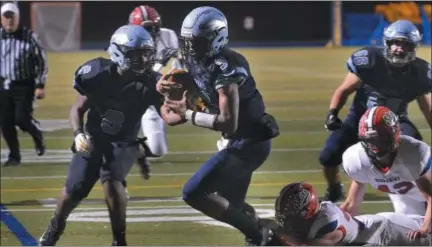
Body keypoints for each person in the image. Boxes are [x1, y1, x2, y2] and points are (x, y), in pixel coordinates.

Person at [156, 6, 279, 245]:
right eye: (187, 42)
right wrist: (162, 88)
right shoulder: (195, 58)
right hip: (236, 142)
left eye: (197, 42)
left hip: (248, 143)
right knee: (231, 205)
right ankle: (263, 235)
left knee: (193, 192)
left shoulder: (228, 66)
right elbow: (171, 114)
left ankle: (259, 235)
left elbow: (228, 122)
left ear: (216, 38)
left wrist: (189, 113)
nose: (190, 48)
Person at [38, 25, 161, 246]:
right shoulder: (97, 74)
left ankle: (119, 241)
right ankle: (55, 227)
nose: (143, 59)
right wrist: (78, 134)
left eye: (146, 52)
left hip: (125, 141)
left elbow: (169, 115)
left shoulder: (152, 81)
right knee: (74, 189)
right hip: (94, 137)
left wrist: (186, 108)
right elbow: (77, 109)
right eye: (136, 53)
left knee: (112, 179)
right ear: (119, 52)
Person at [319, 20, 431, 202]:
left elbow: (425, 105)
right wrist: (333, 113)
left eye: (405, 44)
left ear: (414, 47)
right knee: (328, 156)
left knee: (416, 150)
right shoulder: (370, 60)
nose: (399, 49)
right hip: (359, 119)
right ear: (386, 43)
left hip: (395, 121)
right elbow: (344, 89)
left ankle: (416, 194)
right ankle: (334, 188)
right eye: (395, 42)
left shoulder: (419, 72)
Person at [120, 5, 187, 198]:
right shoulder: (126, 42)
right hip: (131, 97)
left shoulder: (168, 36)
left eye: (153, 27)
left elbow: (181, 64)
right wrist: (160, 64)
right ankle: (117, 182)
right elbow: (137, 76)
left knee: (158, 150)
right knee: (118, 142)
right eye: (145, 28)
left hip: (153, 100)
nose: (151, 32)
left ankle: (138, 153)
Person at [340, 106, 431, 239]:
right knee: (400, 234)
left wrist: (425, 228)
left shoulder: (412, 154)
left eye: (381, 139)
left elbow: (430, 196)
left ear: (396, 134)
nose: (376, 146)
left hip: (426, 192)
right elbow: (351, 203)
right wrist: (337, 226)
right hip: (405, 197)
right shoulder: (357, 159)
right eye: (371, 140)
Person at [262, 182, 431, 246]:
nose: (289, 221)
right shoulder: (312, 218)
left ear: (308, 211)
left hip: (388, 234)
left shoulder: (328, 222)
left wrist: (275, 235)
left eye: (293, 215)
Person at [0, 2, 47, 166]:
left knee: (21, 119)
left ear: (18, 18)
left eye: (12, 17)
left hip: (24, 85)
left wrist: (40, 85)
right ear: (1, 19)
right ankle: (14, 156)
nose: (9, 21)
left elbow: (41, 62)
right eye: (6, 17)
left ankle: (37, 134)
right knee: (5, 122)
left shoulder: (29, 37)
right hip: (3, 85)